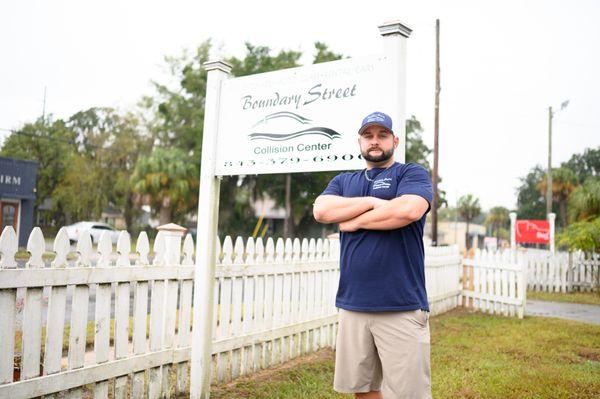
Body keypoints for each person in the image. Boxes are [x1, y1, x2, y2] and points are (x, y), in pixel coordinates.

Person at [313, 111, 433, 399]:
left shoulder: (410, 173)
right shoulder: (344, 180)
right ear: (359, 142)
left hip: (400, 304)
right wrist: (371, 202)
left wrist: (354, 221)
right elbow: (322, 210)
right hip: (354, 304)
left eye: (382, 135)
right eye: (368, 136)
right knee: (363, 389)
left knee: (408, 394)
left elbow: (409, 210)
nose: (375, 141)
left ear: (395, 139)